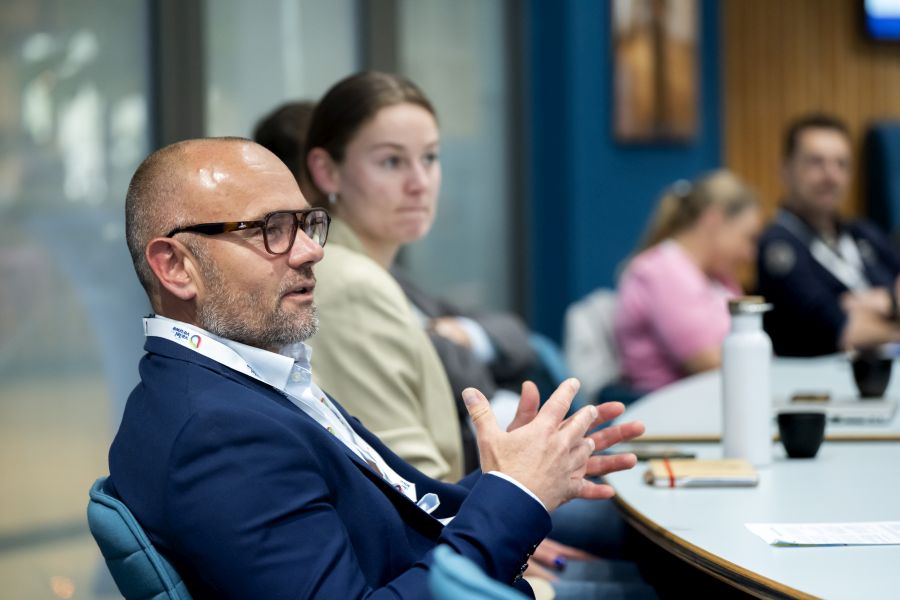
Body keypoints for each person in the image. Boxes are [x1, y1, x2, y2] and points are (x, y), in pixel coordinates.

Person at [106, 137, 646, 599]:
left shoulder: (242, 381)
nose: (310, 252)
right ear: (175, 266)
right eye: (270, 229)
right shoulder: (217, 433)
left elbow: (399, 516)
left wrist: (520, 470)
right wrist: (515, 496)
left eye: (306, 224)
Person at [255, 74, 537, 479]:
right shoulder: (350, 283)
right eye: (391, 161)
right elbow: (413, 486)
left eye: (430, 158)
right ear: (326, 171)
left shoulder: (370, 268)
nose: (419, 184)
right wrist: (520, 503)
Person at [757, 113, 900, 356]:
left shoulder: (862, 231)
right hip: (819, 385)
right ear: (786, 169)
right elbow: (841, 330)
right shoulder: (779, 246)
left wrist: (888, 301)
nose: (831, 176)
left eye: (841, 164)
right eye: (816, 162)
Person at [614, 170, 761, 392]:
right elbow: (708, 363)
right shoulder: (663, 271)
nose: (749, 254)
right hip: (666, 414)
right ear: (714, 220)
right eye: (747, 237)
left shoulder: (717, 278)